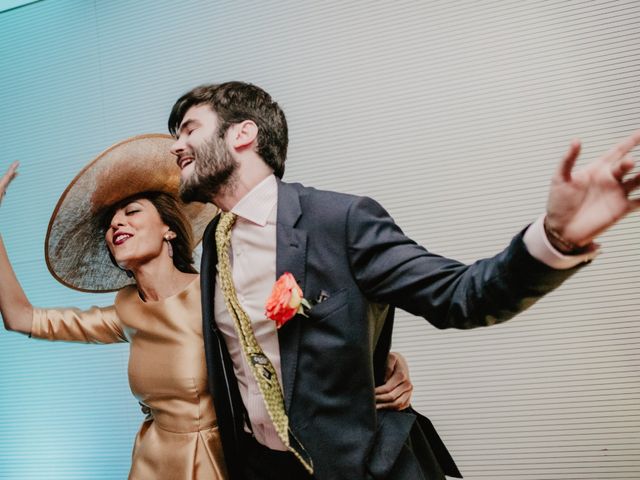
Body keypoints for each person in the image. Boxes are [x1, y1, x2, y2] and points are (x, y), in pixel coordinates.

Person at [166, 81, 640, 480]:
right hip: (263, 468)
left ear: (243, 134)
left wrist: (554, 238)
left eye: (189, 129)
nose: (175, 146)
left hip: (360, 468)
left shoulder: (340, 220)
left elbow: (461, 296)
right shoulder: (213, 245)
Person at [0, 134, 421, 479]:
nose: (116, 225)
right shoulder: (125, 311)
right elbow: (22, 317)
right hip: (152, 468)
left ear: (168, 229)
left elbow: (296, 345)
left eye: (131, 212)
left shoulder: (217, 291)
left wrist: (381, 362)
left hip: (227, 464)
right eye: (111, 223)